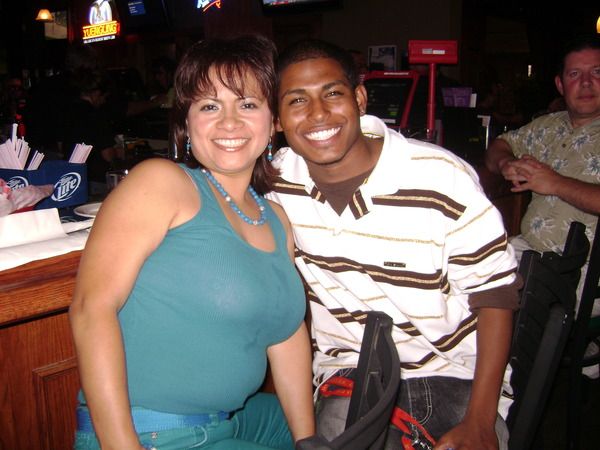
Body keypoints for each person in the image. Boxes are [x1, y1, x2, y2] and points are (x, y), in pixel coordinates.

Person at [268, 39, 520, 450]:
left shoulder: (440, 176)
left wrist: (481, 418)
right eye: (297, 100)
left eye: (332, 93)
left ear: (359, 99)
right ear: (277, 119)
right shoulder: (277, 185)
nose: (318, 113)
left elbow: (495, 294)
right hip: (352, 371)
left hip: (458, 374)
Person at [69, 35, 315, 450]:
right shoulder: (162, 182)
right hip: (155, 433)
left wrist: (308, 441)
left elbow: (285, 337)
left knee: (339, 429)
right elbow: (91, 309)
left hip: (235, 418)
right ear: (186, 122)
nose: (229, 122)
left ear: (274, 120)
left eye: (248, 104)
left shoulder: (276, 219)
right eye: (209, 106)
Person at [484, 35, 600, 313]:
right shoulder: (547, 126)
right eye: (575, 74)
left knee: (492, 300)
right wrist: (506, 163)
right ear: (560, 85)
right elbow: (499, 146)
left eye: (597, 72)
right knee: (459, 274)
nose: (586, 83)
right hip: (529, 255)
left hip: (582, 272)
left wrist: (555, 184)